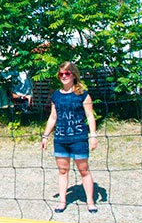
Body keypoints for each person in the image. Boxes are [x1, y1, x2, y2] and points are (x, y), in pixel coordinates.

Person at [41, 62, 99, 213]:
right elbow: (53, 118)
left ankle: (90, 202)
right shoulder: (56, 95)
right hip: (60, 139)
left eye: (67, 74)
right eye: (61, 74)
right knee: (62, 170)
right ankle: (62, 201)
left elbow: (90, 116)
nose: (64, 77)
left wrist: (93, 136)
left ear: (73, 75)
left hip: (79, 138)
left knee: (84, 170)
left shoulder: (83, 94)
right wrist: (45, 136)